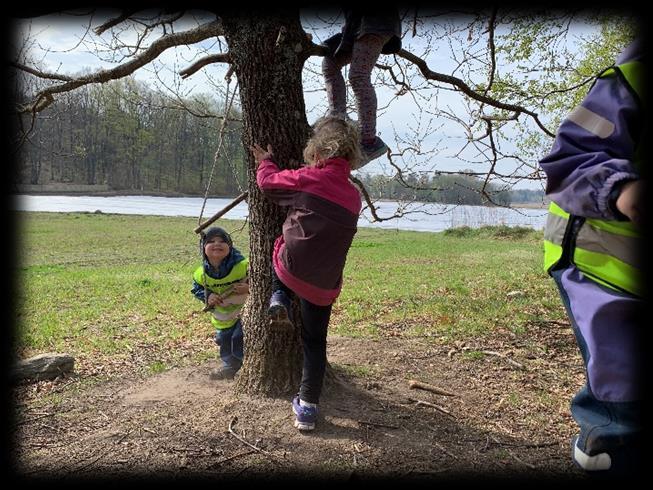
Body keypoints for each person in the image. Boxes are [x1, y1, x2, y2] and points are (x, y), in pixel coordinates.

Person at [540, 37, 644, 476]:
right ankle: (603, 446)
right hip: (599, 263)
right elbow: (568, 161)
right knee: (622, 400)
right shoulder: (632, 79)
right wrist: (622, 190)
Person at [251, 116, 363, 431]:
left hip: (292, 268)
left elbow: (268, 184)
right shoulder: (353, 196)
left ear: (318, 153)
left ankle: (278, 296)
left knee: (279, 244)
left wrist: (265, 163)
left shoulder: (306, 179)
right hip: (323, 283)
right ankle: (308, 409)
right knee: (315, 342)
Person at [321, 8, 402, 164]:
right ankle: (337, 122)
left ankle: (369, 141)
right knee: (329, 63)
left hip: (376, 23)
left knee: (359, 76)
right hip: (356, 26)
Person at [191, 227, 249, 380]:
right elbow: (197, 289)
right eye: (211, 241)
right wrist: (208, 296)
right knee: (225, 340)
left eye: (222, 241)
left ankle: (246, 366)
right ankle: (229, 366)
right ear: (203, 248)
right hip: (222, 317)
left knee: (239, 338)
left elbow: (261, 281)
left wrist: (249, 288)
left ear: (230, 246)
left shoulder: (243, 266)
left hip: (244, 312)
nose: (217, 244)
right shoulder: (201, 273)